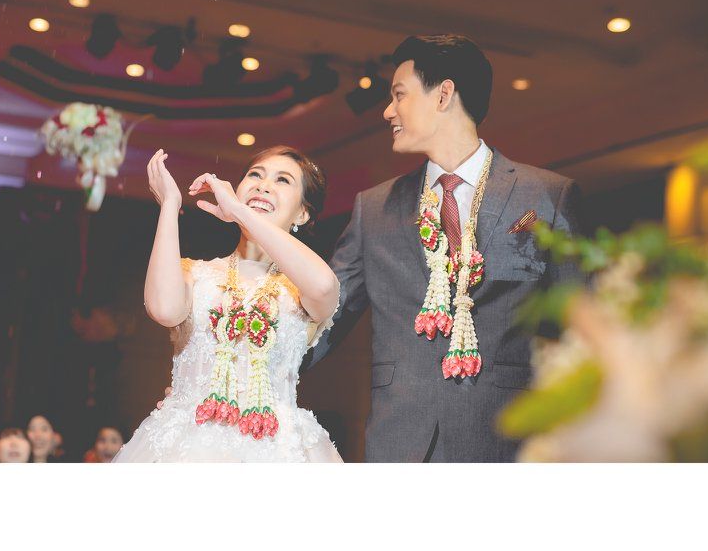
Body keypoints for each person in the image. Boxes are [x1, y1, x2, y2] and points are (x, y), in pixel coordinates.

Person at [306, 34, 584, 463]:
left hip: (509, 441)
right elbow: (323, 318)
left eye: (399, 95)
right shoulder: (373, 209)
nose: (387, 111)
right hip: (401, 444)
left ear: (443, 95)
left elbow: (582, 331)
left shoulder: (546, 196)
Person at [116, 144, 343, 462]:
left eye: (282, 180)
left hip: (276, 450)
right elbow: (163, 309)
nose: (264, 185)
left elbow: (324, 286)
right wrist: (169, 205)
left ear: (302, 213)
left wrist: (239, 211)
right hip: (188, 444)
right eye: (255, 175)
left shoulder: (303, 287)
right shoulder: (194, 272)